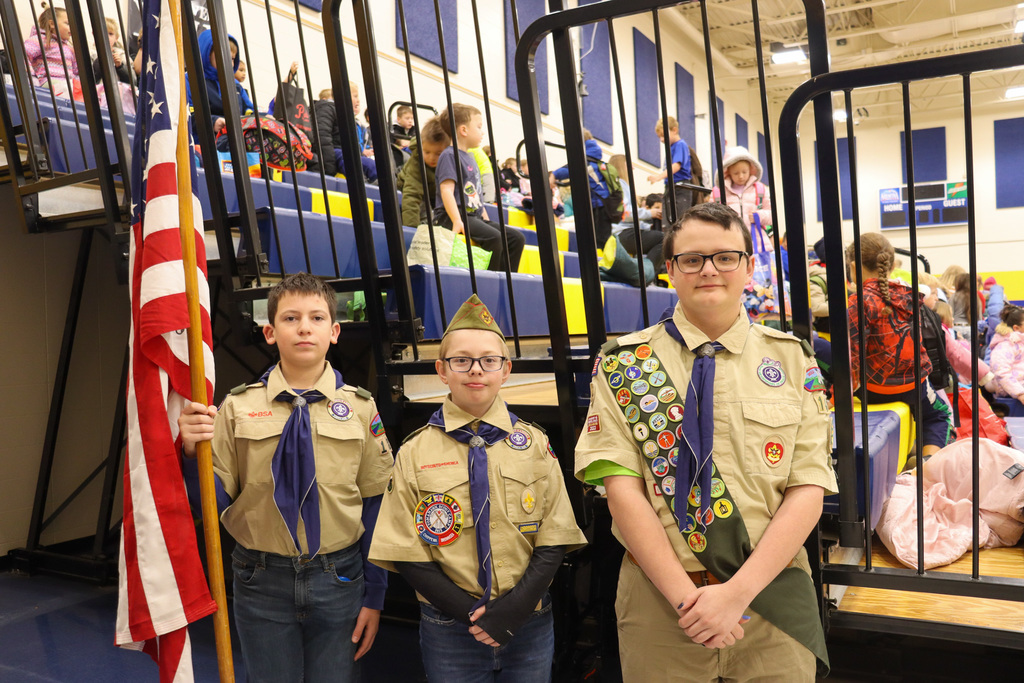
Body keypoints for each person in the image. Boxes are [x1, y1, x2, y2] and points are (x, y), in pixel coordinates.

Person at [574, 202, 836, 681]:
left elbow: (808, 488)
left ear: (749, 265)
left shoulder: (795, 361)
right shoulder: (622, 364)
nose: (708, 269)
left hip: (770, 599)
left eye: (725, 256)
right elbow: (621, 492)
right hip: (661, 603)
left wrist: (735, 594)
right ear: (670, 270)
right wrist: (687, 598)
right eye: (691, 259)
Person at [177, 273, 392, 682]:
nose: (305, 327)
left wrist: (376, 594)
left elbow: (376, 505)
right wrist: (191, 454)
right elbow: (213, 502)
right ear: (270, 332)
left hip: (340, 576)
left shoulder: (362, 409)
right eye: (291, 318)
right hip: (260, 577)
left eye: (316, 317)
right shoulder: (237, 408)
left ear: (334, 331)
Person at [369, 294, 586, 682]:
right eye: (461, 360)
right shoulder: (415, 451)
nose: (475, 371)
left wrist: (512, 612)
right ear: (441, 369)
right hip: (450, 628)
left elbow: (555, 537)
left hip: (529, 624)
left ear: (506, 370)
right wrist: (472, 614)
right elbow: (404, 550)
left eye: (489, 360)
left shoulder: (534, 443)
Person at [846, 232, 953, 458]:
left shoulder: (858, 300)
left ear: (854, 267)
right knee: (939, 416)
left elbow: (853, 354)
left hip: (874, 388)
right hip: (914, 384)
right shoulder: (909, 295)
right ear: (892, 265)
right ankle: (928, 461)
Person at [434, 103, 524, 272]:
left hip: (472, 216)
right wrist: (456, 220)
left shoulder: (470, 157)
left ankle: (507, 284)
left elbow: (474, 193)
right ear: (463, 130)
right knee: (495, 238)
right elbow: (446, 190)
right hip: (452, 215)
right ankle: (489, 283)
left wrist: (484, 217)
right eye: (479, 127)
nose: (482, 132)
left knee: (516, 238)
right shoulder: (449, 155)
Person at [552, 129, 616, 246]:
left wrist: (554, 174)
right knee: (594, 238)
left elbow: (575, 166)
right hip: (597, 204)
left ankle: (599, 262)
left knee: (599, 240)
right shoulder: (592, 153)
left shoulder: (588, 156)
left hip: (600, 205)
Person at [710, 146, 773, 253]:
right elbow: (709, 217)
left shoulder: (760, 190)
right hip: (729, 242)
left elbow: (773, 216)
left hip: (757, 244)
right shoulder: (718, 192)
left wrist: (759, 216)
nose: (741, 176)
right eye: (736, 173)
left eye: (744, 172)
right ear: (727, 172)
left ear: (751, 170)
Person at [610, 154, 666, 273]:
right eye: (629, 165)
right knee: (664, 240)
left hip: (623, 232)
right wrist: (649, 213)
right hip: (621, 234)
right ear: (622, 166)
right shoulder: (620, 184)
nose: (633, 169)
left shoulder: (620, 185)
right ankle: (647, 273)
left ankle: (646, 272)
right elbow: (625, 213)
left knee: (659, 238)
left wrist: (647, 226)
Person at [190, 30, 254, 133]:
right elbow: (184, 116)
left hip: (233, 144)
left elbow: (250, 111)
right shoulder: (190, 80)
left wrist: (265, 118)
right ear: (207, 53)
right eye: (224, 56)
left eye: (233, 58)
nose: (231, 64)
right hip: (201, 144)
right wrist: (213, 122)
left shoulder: (236, 85)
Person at [312, 84, 377, 182]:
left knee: (371, 164)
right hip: (334, 151)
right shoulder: (328, 108)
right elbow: (322, 136)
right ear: (343, 95)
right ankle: (362, 184)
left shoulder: (347, 116)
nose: (358, 100)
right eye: (355, 96)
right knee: (349, 159)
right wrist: (329, 166)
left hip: (344, 152)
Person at [396, 115, 449, 227]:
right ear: (421, 147)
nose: (431, 158)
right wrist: (411, 230)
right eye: (427, 152)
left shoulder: (449, 163)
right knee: (425, 212)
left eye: (438, 154)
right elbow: (412, 197)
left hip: (430, 192)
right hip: (406, 187)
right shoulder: (417, 162)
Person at [24, 4, 78, 98]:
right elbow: (22, 54)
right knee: (68, 88)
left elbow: (76, 71)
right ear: (52, 24)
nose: (72, 27)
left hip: (68, 84)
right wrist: (31, 77)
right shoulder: (40, 40)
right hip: (48, 83)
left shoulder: (69, 48)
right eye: (68, 23)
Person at [647, 116, 692, 223]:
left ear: (674, 130)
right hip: (670, 187)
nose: (661, 140)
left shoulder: (680, 145)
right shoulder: (671, 147)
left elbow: (676, 165)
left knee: (679, 221)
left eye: (663, 135)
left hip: (680, 188)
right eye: (659, 137)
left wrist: (658, 177)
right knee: (668, 221)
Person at [988, 305, 1024, 407]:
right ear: (1016, 328)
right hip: (1011, 391)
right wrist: (1020, 393)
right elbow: (1002, 373)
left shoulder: (1020, 342)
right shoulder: (1005, 346)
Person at [92, 17, 133, 86]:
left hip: (119, 94)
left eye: (110, 34)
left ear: (116, 38)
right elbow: (91, 79)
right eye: (103, 32)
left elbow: (133, 80)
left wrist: (120, 67)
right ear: (95, 35)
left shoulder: (122, 55)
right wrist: (102, 56)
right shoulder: (92, 54)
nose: (106, 37)